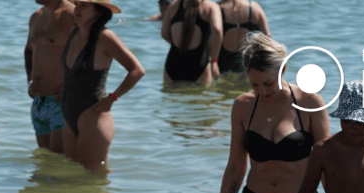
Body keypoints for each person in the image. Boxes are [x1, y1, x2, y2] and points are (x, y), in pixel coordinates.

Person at [209, 33, 327, 193]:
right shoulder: (242, 107)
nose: (262, 91)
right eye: (254, 85)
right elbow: (234, 167)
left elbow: (327, 167)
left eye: (268, 83)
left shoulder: (309, 102)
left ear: (283, 69)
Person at [57, 0, 145, 172]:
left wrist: (112, 98)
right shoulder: (74, 32)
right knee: (73, 174)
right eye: (77, 4)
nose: (77, 9)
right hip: (69, 114)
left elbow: (137, 70)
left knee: (94, 178)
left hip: (93, 115)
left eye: (84, 5)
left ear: (98, 11)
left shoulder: (105, 37)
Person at [25, 0, 74, 153]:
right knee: (45, 162)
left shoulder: (72, 15)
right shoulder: (36, 17)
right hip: (39, 101)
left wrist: (70, 86)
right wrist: (30, 80)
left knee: (59, 163)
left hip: (62, 101)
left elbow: (86, 54)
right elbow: (28, 50)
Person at [159, 0, 220, 85]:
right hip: (199, 63)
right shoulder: (211, 6)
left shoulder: (174, 5)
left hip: (173, 64)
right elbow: (217, 30)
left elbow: (164, 33)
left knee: (171, 97)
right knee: (201, 97)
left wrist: (180, 45)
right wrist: (214, 60)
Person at [215, 0, 268, 74]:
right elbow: (267, 36)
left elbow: (213, 34)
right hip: (249, 61)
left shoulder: (217, 9)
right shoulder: (255, 8)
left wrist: (213, 61)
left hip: (223, 62)